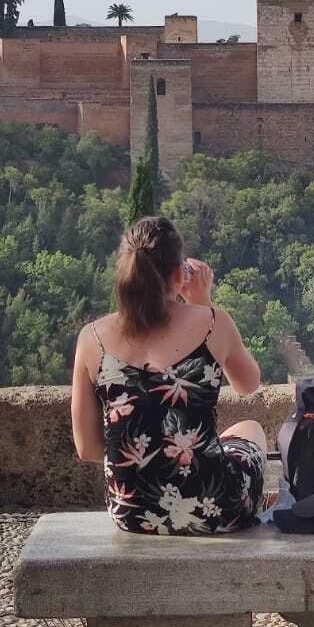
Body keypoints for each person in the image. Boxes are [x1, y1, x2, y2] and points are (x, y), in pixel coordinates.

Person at [70, 216, 267, 535]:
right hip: (213, 508)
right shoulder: (214, 323)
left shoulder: (91, 338)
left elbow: (88, 448)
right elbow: (248, 385)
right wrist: (202, 305)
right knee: (250, 429)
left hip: (132, 514)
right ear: (179, 273)